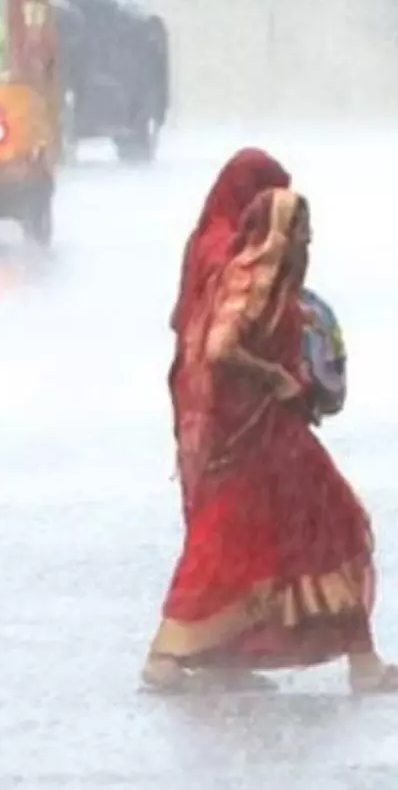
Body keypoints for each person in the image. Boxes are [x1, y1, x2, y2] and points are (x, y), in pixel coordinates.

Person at [141, 189, 398, 695]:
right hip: (255, 438)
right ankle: (167, 655)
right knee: (238, 540)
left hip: (273, 435)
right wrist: (276, 376)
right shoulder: (252, 279)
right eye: (301, 231)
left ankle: (358, 660)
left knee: (325, 528)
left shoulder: (277, 286)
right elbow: (220, 348)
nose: (308, 241)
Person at [168, 149, 293, 521]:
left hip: (196, 381)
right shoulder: (227, 247)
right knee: (233, 497)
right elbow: (225, 327)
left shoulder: (205, 236)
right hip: (224, 386)